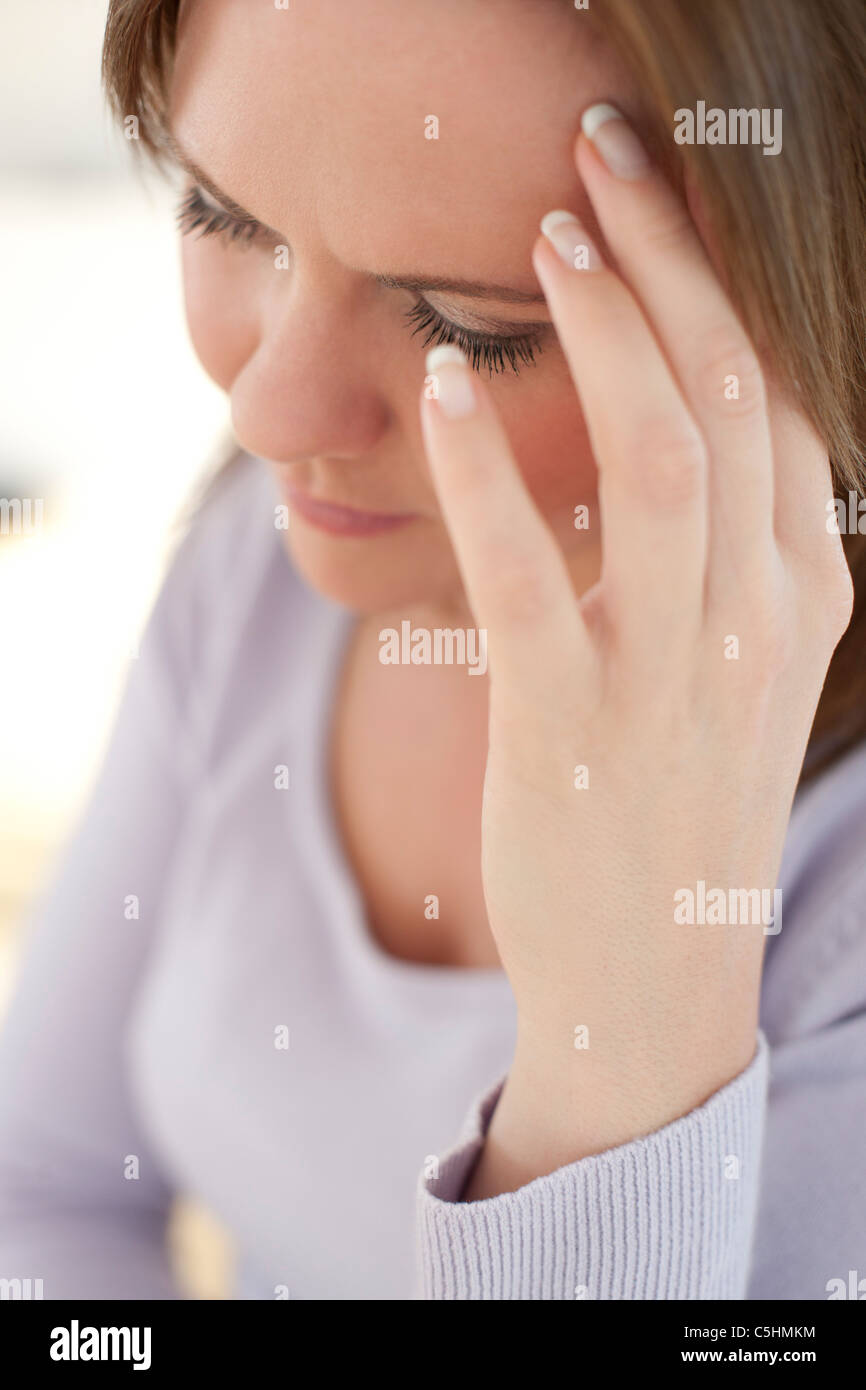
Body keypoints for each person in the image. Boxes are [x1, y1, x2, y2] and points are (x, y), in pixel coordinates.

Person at [1, 0, 864, 1301]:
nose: (265, 409)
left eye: (470, 324)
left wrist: (619, 1057)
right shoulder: (265, 565)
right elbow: (45, 1184)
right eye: (228, 216)